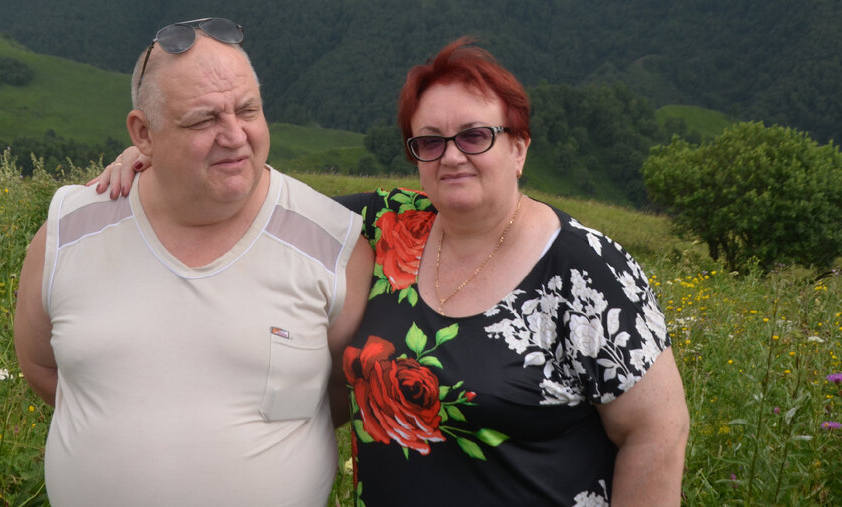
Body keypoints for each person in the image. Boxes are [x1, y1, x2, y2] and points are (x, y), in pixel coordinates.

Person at [93, 36, 690, 506]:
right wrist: (156, 153)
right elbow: (256, 195)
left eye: (476, 136)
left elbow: (657, 432)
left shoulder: (586, 269)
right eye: (428, 142)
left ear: (519, 147)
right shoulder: (386, 225)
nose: (452, 155)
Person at [14, 17, 373, 507]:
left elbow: (341, 389)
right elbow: (41, 366)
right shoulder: (68, 232)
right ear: (143, 133)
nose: (235, 136)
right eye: (204, 120)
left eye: (248, 110)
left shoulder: (334, 243)